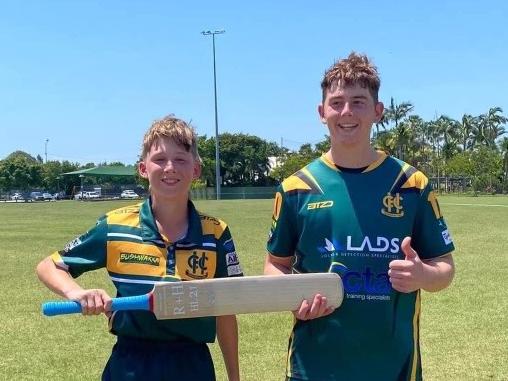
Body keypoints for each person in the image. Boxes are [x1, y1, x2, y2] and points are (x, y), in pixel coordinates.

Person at [264, 52, 455, 381]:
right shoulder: (296, 188)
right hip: (314, 367)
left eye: (358, 101)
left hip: (393, 368)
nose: (346, 112)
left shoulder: (411, 185)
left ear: (378, 111)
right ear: (321, 112)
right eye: (336, 103)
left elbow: (445, 268)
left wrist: (423, 274)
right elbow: (275, 264)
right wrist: (293, 297)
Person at [37, 116, 242, 381]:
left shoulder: (216, 233)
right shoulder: (114, 226)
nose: (170, 168)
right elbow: (49, 265)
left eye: (181, 159)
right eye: (159, 159)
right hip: (130, 364)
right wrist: (76, 292)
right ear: (143, 168)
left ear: (196, 170)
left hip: (193, 364)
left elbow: (226, 311)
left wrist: (234, 377)